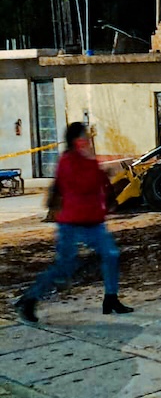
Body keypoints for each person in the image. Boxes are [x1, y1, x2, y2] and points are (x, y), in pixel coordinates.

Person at [15, 123, 133, 323]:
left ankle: (111, 298)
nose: (88, 140)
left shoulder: (87, 161)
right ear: (75, 141)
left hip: (93, 221)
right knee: (65, 267)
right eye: (84, 137)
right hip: (72, 223)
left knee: (111, 255)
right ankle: (29, 299)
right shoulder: (68, 161)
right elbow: (83, 185)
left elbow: (97, 185)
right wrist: (102, 171)